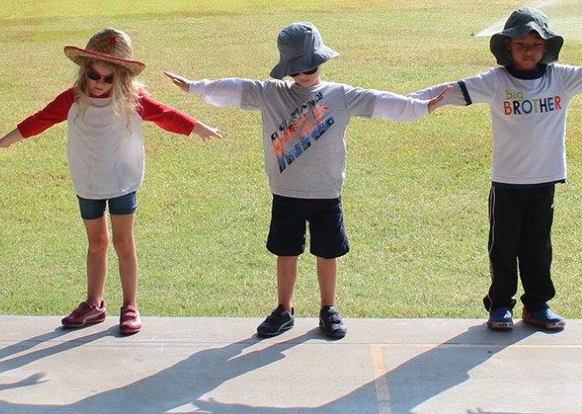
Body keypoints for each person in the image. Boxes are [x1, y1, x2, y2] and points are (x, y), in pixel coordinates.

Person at [163, 22, 447, 340]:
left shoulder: (341, 95)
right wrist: (195, 87)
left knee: (327, 253)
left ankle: (329, 309)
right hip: (286, 194)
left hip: (327, 194)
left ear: (321, 61)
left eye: (310, 67)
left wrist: (422, 107)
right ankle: (284, 310)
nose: (304, 75)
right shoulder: (271, 94)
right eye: (296, 70)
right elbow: (235, 88)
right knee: (286, 252)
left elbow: (382, 102)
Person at [413, 7, 582, 332]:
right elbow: (451, 90)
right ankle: (500, 306)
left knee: (538, 248)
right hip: (507, 183)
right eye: (521, 45)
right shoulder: (495, 81)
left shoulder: (561, 78)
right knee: (503, 249)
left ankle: (537, 306)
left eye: (536, 45)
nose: (528, 51)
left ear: (547, 47)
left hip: (544, 181)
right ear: (507, 45)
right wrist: (406, 103)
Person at [0, 28, 222, 335]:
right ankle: (94, 304)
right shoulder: (72, 99)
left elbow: (166, 115)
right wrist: (6, 139)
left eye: (108, 79)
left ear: (120, 78)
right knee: (96, 243)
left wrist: (198, 127)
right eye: (94, 75)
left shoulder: (133, 100)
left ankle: (130, 306)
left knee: (124, 242)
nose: (99, 83)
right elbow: (41, 119)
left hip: (122, 180)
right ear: (84, 71)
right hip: (88, 181)